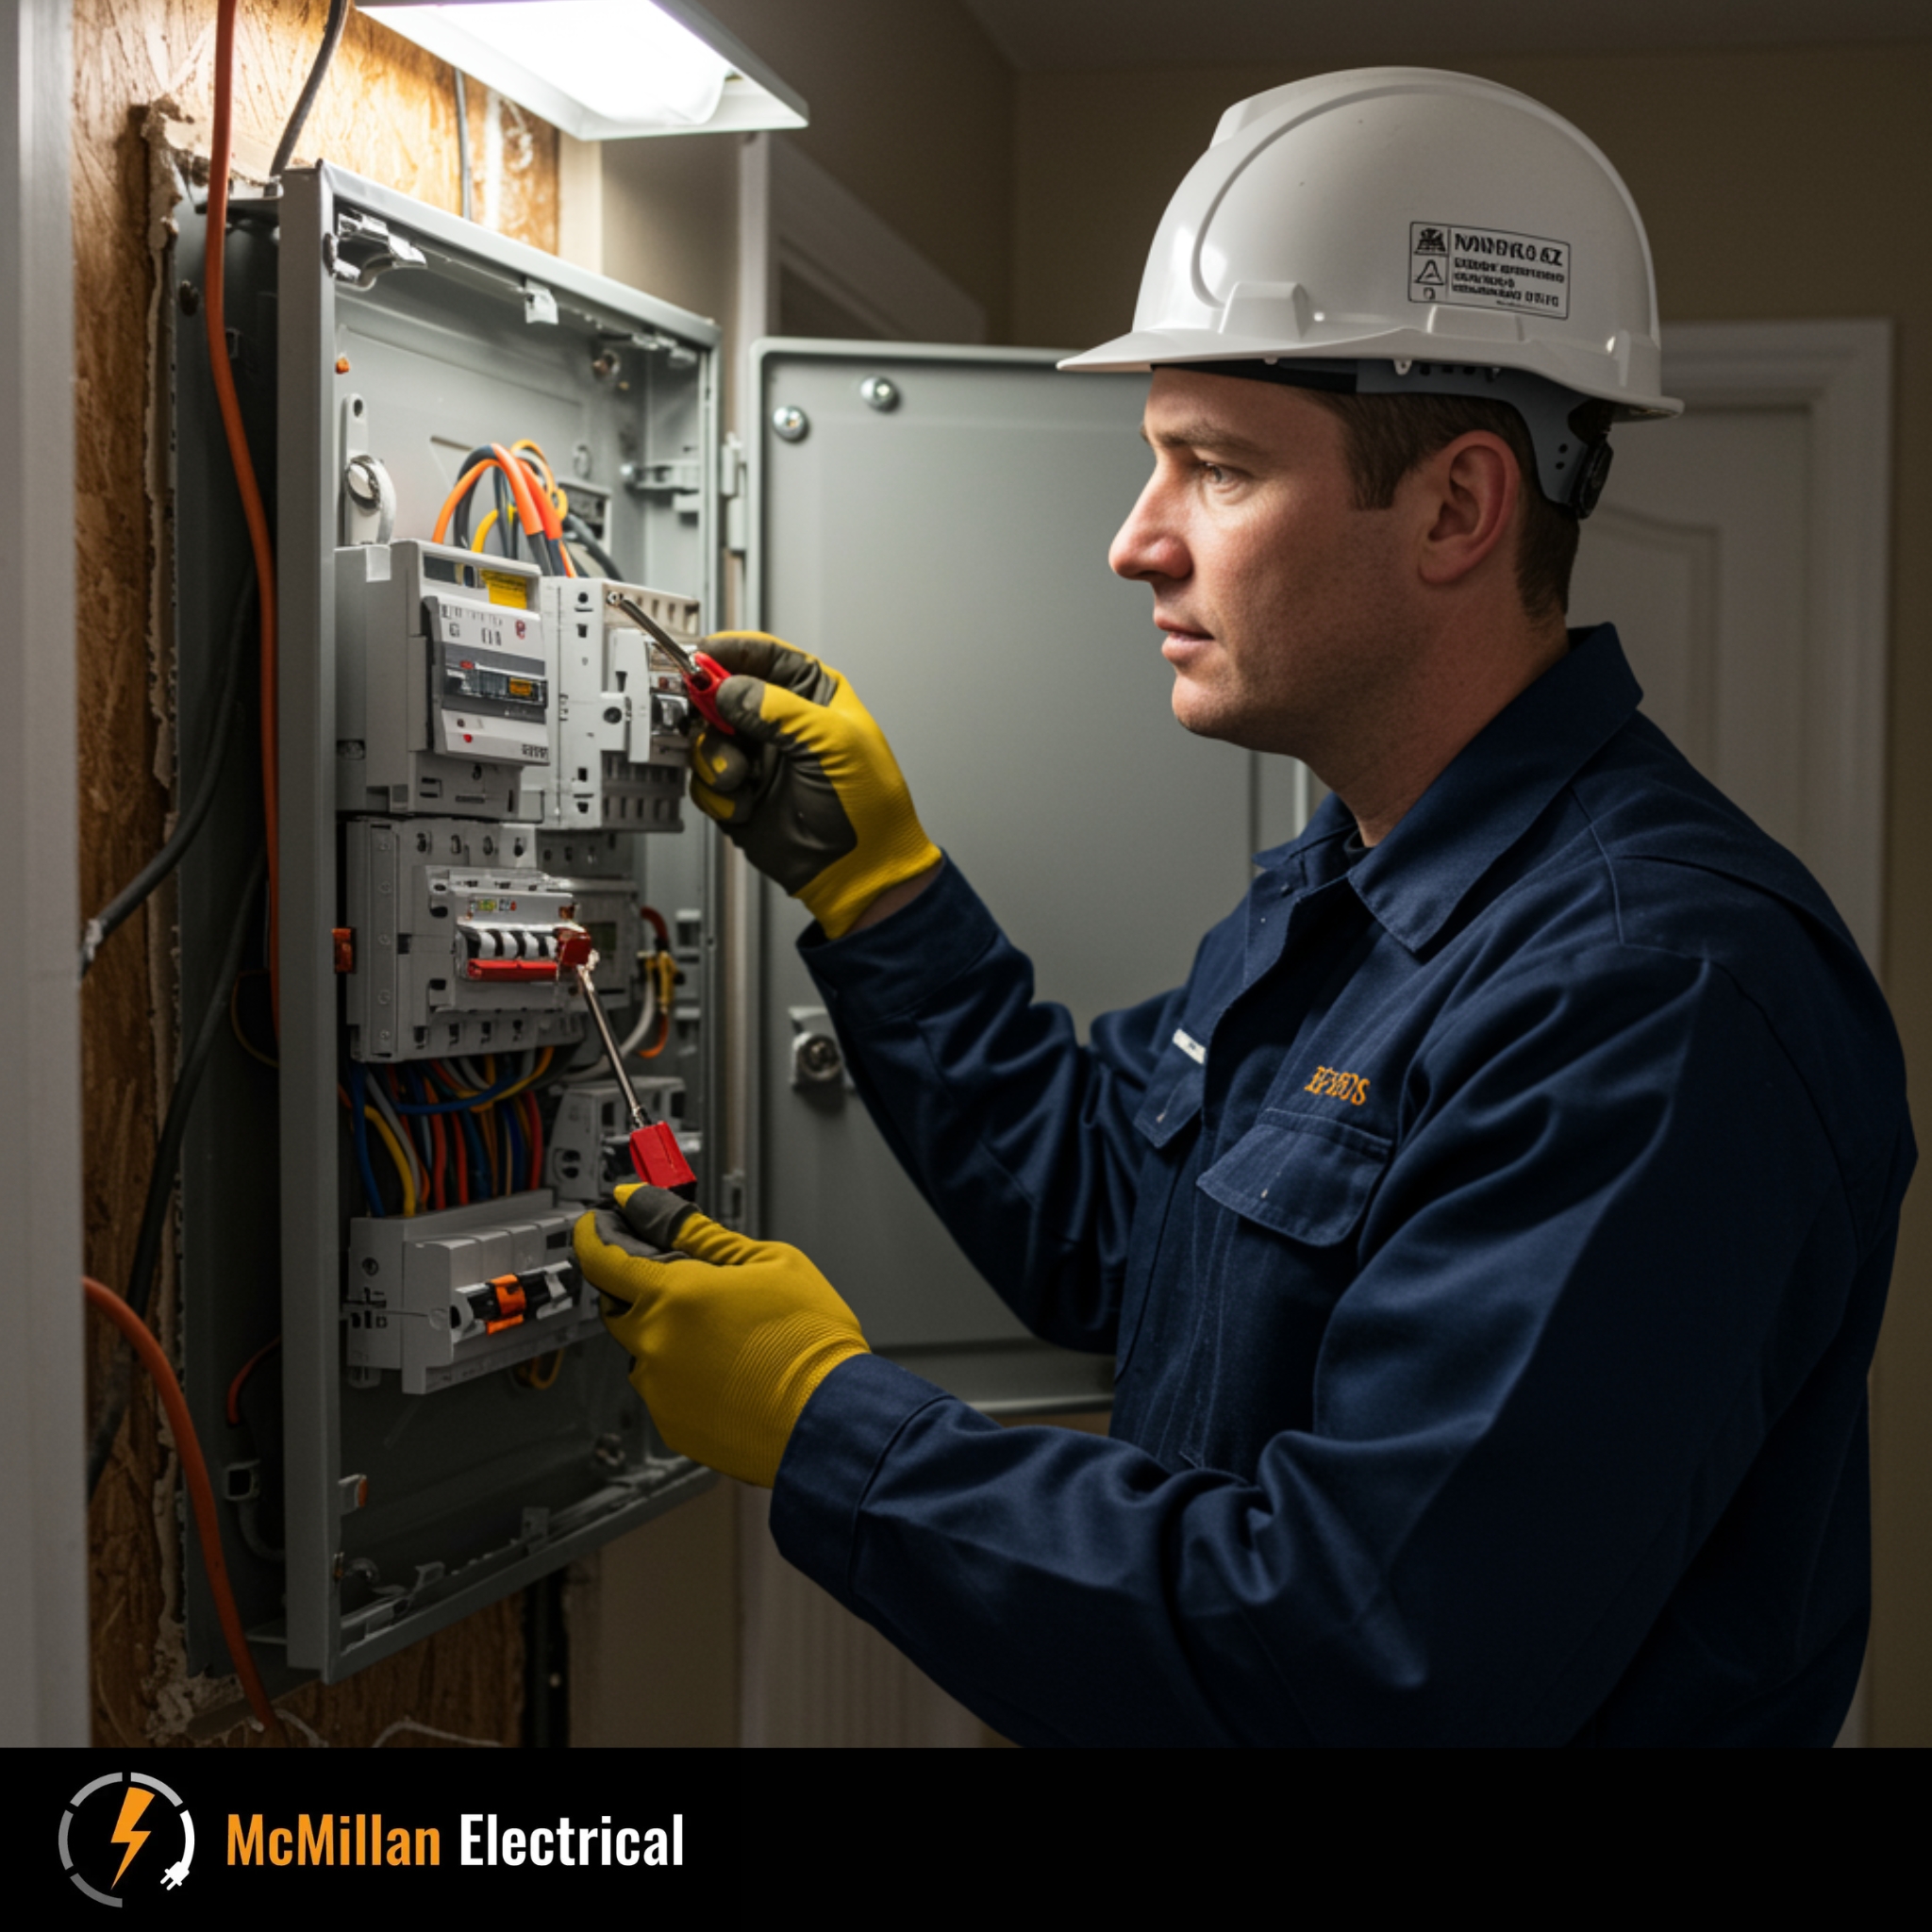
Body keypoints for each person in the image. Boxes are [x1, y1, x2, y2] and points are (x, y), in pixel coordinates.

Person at [575, 69, 1913, 1745]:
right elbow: (1111, 1234)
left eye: (1213, 469)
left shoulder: (1653, 994)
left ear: (1457, 508)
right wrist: (881, 894)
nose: (1137, 543)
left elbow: (1366, 1655)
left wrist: (829, 1425)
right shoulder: (1352, 891)